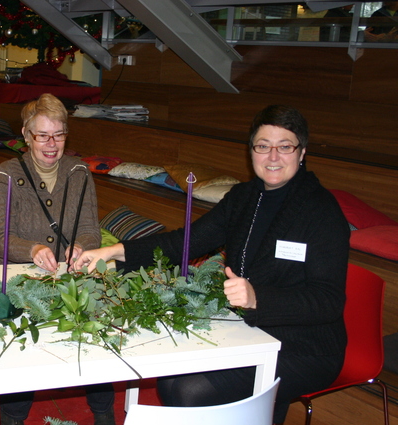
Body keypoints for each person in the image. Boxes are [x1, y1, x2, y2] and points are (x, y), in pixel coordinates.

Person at [72, 105, 350, 424]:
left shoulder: (322, 212)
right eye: (263, 146)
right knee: (171, 380)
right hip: (249, 329)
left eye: (284, 146)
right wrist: (114, 251)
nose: (273, 156)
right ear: (251, 152)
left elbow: (328, 301)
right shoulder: (243, 197)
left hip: (305, 346)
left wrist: (258, 297)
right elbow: (184, 242)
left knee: (189, 390)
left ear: (301, 152)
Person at [0, 93, 114, 425]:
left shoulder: (79, 172)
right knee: (22, 332)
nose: (51, 143)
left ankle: (103, 411)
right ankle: (13, 416)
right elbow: (0, 240)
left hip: (72, 275)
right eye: (42, 135)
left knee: (96, 324)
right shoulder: (6, 174)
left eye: (58, 134)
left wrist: (82, 247)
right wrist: (31, 249)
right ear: (26, 136)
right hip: (26, 277)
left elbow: (90, 229)